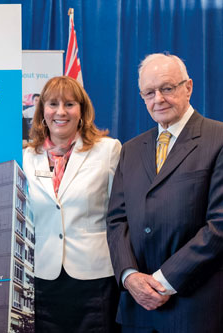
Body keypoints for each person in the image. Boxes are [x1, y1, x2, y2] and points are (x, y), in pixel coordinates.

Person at [106, 53, 223, 332]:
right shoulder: (131, 150)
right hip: (138, 311)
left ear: (189, 87)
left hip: (195, 308)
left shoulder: (218, 139)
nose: (158, 99)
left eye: (167, 88)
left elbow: (219, 225)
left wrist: (162, 281)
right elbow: (116, 222)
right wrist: (130, 276)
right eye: (149, 92)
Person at [23, 76, 121, 332]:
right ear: (42, 110)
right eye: (53, 104)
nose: (61, 112)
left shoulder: (108, 150)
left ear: (82, 110)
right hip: (42, 278)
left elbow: (120, 215)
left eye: (69, 104)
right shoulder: (25, 157)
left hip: (94, 277)